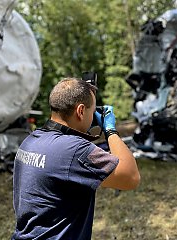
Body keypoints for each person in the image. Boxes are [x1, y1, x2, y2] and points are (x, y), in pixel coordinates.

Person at [11, 77, 141, 239]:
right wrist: (110, 130)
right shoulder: (75, 150)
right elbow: (130, 178)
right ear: (80, 111)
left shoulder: (30, 141)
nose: (94, 116)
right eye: (92, 112)